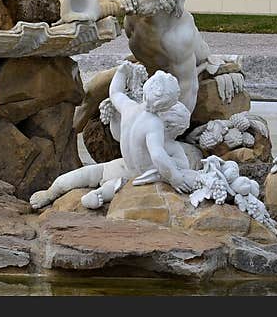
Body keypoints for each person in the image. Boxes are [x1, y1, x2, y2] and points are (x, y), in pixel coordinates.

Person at [30, 62, 198, 211]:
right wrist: (175, 177)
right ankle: (101, 194)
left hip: (124, 165)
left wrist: (121, 72)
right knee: (121, 183)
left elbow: (115, 92)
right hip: (139, 174)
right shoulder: (154, 125)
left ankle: (52, 191)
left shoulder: (129, 108)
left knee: (87, 174)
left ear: (147, 88)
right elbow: (158, 155)